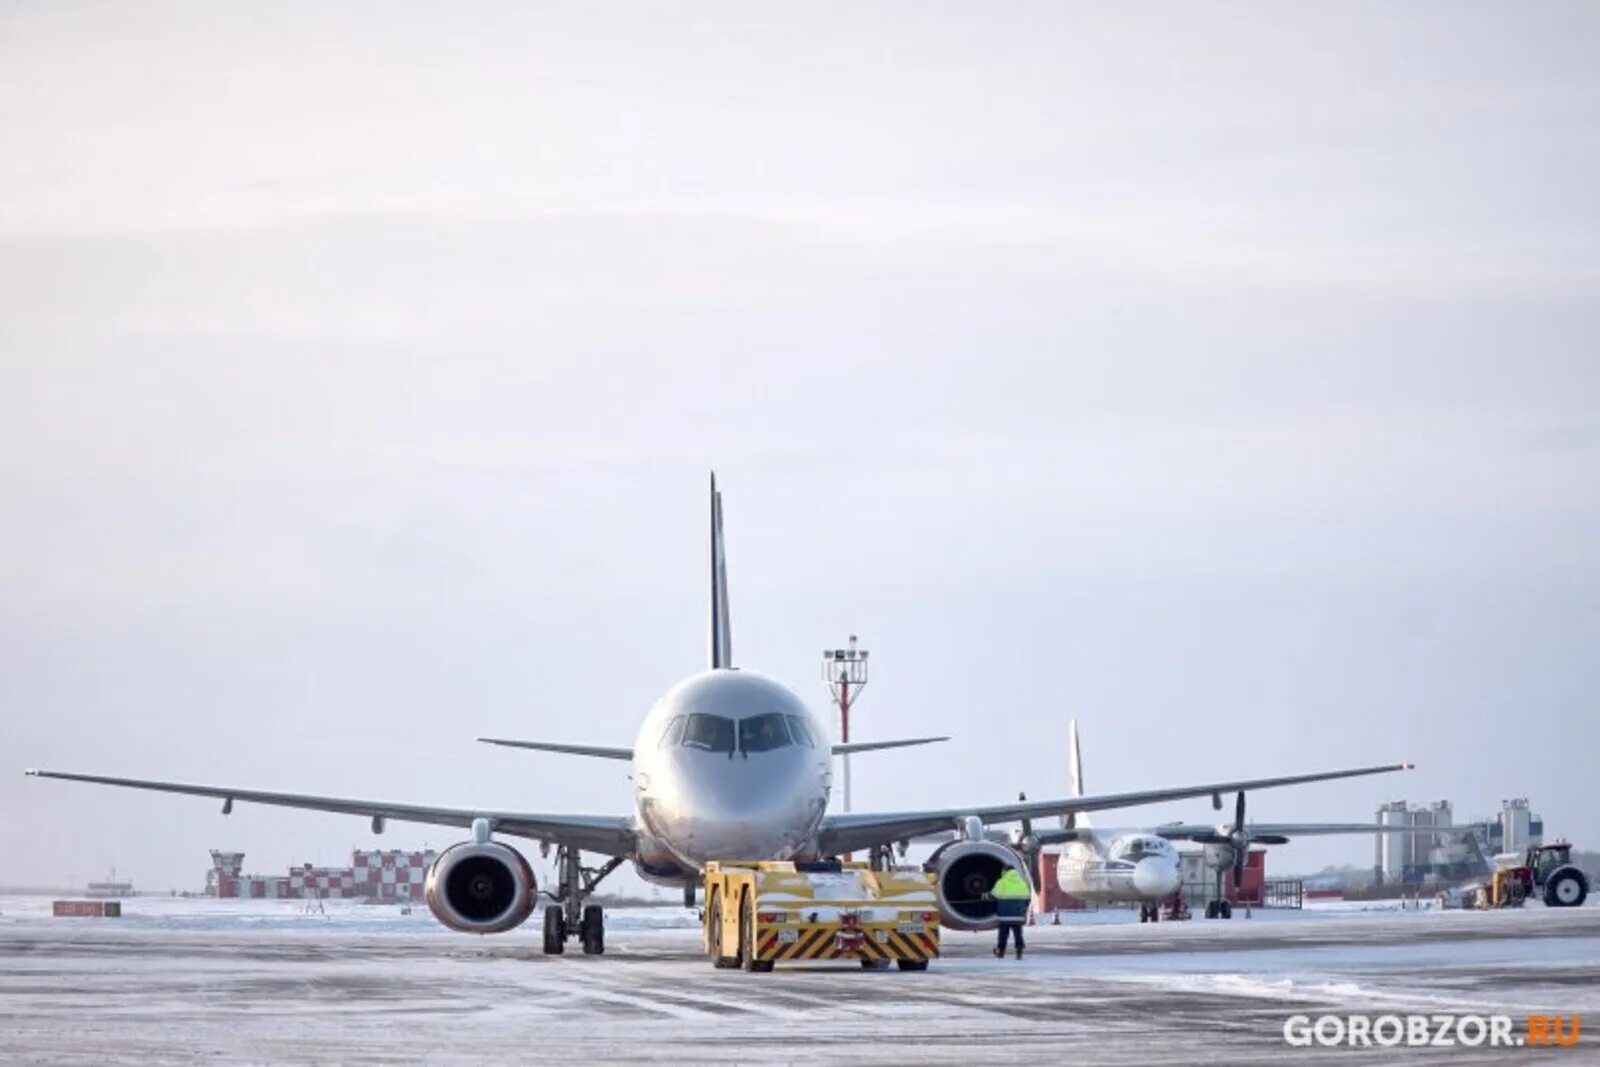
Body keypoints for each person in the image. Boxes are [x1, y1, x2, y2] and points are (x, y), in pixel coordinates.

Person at [990, 866, 1032, 959]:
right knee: (1018, 934)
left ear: (1005, 872)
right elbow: (1028, 899)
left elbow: (993, 895)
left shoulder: (1002, 882)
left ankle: (1001, 952)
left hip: (1005, 916)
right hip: (1018, 916)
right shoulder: (1022, 883)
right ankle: (1019, 951)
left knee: (1003, 935)